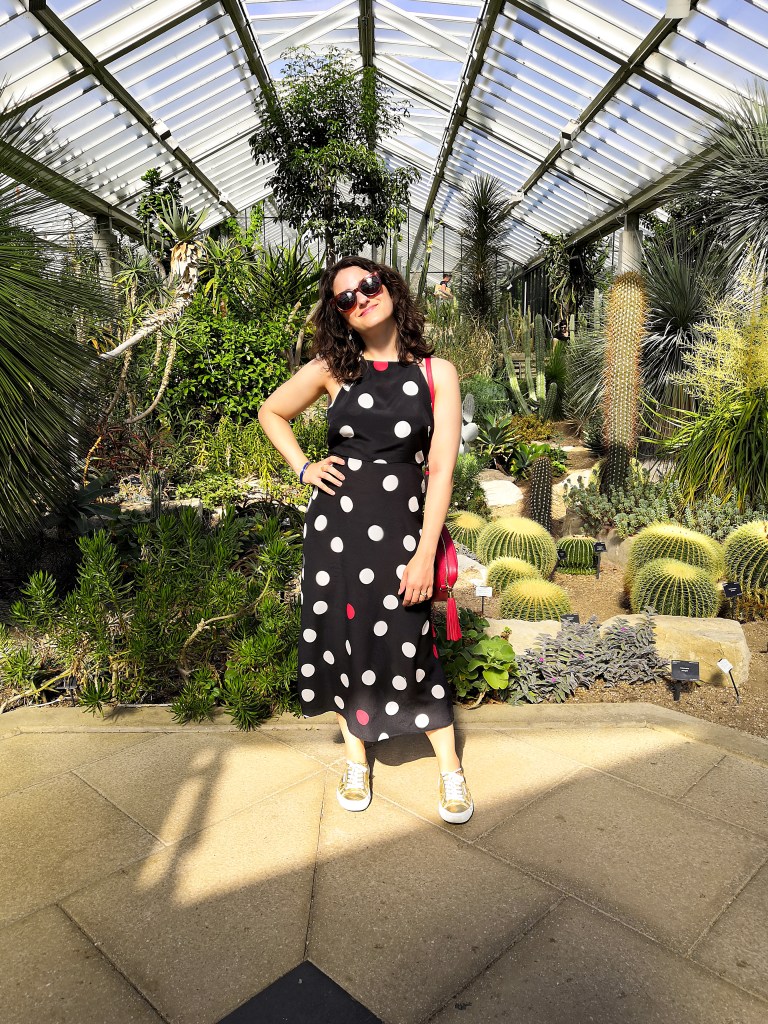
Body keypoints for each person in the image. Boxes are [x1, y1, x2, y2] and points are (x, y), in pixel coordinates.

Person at [258, 257, 474, 824]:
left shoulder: (437, 373)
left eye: (369, 285)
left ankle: (450, 768)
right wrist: (304, 467)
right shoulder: (332, 369)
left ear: (390, 288)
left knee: (412, 638)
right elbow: (271, 411)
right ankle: (356, 759)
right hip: (335, 532)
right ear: (340, 314)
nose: (361, 298)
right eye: (345, 297)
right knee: (340, 637)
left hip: (403, 531)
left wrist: (424, 553)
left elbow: (441, 471)